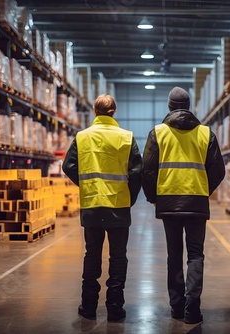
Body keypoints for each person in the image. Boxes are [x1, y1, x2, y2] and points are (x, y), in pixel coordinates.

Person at [141, 86, 225, 324]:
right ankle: (192, 310)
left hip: (169, 201)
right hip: (196, 201)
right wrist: (203, 190)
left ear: (169, 107)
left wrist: (153, 196)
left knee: (174, 255)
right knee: (196, 255)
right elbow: (218, 170)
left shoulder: (158, 133)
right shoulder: (206, 134)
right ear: (189, 107)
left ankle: (177, 307)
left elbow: (148, 169)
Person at [62, 94, 142, 322]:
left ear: (95, 112)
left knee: (92, 255)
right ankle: (115, 308)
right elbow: (137, 172)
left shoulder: (82, 137)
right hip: (118, 206)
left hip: (92, 205)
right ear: (114, 112)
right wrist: (130, 197)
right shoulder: (126, 138)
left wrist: (86, 185)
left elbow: (68, 166)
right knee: (118, 257)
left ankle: (88, 307)